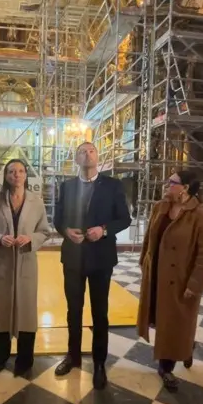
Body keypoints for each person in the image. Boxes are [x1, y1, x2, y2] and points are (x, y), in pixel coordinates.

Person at [53, 142, 131, 390]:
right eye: (82, 152)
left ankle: (99, 363)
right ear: (76, 159)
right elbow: (57, 219)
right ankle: (73, 356)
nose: (87, 155)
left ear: (97, 157)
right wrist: (66, 231)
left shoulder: (113, 185)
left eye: (91, 151)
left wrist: (104, 230)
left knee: (100, 312)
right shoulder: (66, 186)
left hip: (100, 258)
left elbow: (125, 219)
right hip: (73, 257)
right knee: (73, 310)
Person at [136, 170, 203, 392]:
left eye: (172, 182)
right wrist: (144, 261)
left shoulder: (201, 215)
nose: (166, 184)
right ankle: (185, 347)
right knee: (161, 318)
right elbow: (149, 238)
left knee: (174, 322)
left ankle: (166, 368)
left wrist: (195, 284)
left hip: (180, 279)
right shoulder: (160, 207)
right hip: (156, 275)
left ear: (185, 188)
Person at [0, 159, 51, 376]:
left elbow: (44, 231)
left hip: (26, 263)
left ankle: (24, 361)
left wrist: (30, 239)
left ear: (26, 175)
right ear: (6, 176)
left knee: (26, 311)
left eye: (20, 171)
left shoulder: (36, 202)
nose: (16, 175)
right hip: (1, 264)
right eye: (11, 171)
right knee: (0, 311)